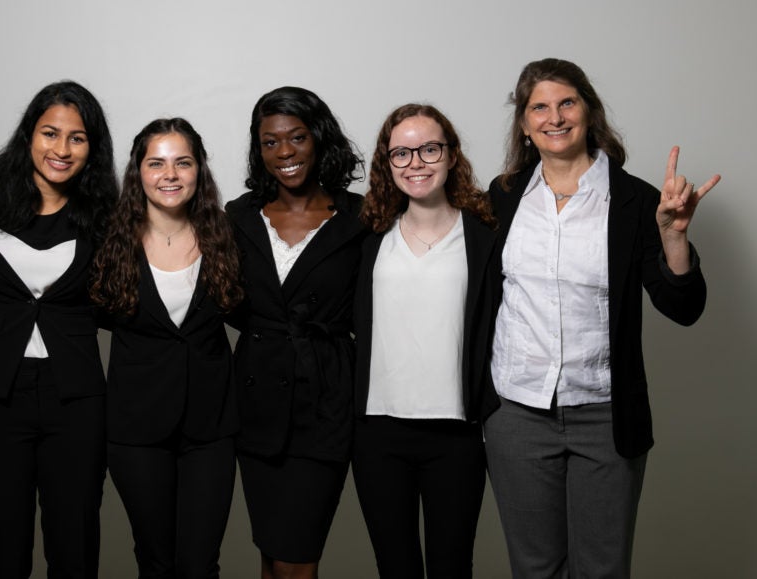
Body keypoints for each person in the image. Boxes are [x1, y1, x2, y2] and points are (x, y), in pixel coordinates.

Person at [484, 58, 721, 578]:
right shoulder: (501, 198)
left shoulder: (636, 201)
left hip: (605, 416)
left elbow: (683, 308)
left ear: (589, 111)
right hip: (518, 413)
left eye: (566, 102)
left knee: (602, 570)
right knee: (534, 568)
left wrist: (675, 238)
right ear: (523, 124)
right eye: (538, 107)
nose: (555, 117)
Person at [0, 81, 118, 579]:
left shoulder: (104, 214)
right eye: (50, 133)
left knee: (73, 548)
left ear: (92, 148)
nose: (61, 149)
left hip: (74, 398)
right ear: (28, 134)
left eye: (77, 138)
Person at [352, 104, 499, 579]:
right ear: (387, 163)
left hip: (456, 432)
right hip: (378, 430)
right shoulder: (368, 237)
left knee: (452, 567)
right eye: (401, 153)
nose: (415, 162)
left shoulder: (484, 237)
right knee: (395, 568)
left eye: (429, 149)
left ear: (451, 155)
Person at [91, 118, 242, 578]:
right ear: (137, 172)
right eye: (156, 163)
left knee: (200, 563)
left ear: (200, 170)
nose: (170, 174)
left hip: (212, 427)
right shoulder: (107, 239)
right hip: (137, 428)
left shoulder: (229, 232)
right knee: (156, 560)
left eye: (183, 162)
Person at [226, 85, 365, 579]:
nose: (284, 152)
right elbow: (230, 302)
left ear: (319, 138)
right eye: (270, 142)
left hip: (324, 404)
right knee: (271, 552)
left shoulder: (360, 218)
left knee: (295, 559)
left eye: (297, 137)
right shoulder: (238, 217)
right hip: (255, 405)